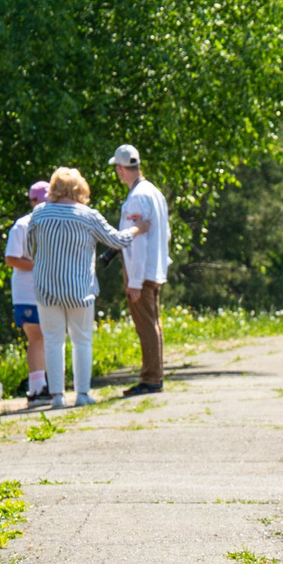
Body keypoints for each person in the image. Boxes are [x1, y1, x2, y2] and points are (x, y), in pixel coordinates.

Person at [26, 167, 143, 407]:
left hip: (47, 289)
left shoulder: (39, 214)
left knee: (52, 341)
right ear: (80, 189)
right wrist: (136, 229)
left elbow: (29, 250)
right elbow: (117, 240)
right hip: (80, 289)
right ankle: (82, 395)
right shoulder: (88, 216)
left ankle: (57, 396)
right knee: (82, 341)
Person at [109, 145, 171, 397]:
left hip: (141, 272)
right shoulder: (155, 192)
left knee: (145, 326)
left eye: (117, 169)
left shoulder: (136, 197)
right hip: (153, 269)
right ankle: (154, 374)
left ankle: (151, 378)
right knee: (153, 324)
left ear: (122, 169)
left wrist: (133, 280)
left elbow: (136, 241)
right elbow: (164, 233)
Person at [2, 181, 49, 401]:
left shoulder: (51, 223)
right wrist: (39, 265)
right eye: (41, 201)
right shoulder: (22, 226)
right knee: (36, 336)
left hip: (48, 290)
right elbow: (11, 258)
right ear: (33, 202)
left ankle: (45, 384)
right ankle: (37, 386)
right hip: (26, 291)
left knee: (48, 336)